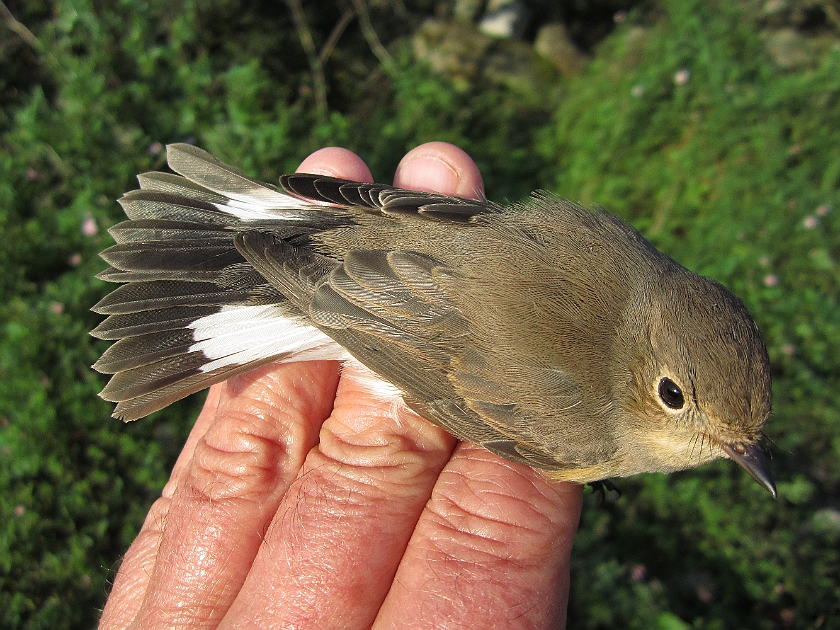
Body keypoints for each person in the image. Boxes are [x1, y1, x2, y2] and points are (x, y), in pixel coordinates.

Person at [98, 142, 583, 629]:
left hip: (403, 241)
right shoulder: (588, 428)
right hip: (376, 306)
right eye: (667, 397)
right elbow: (431, 373)